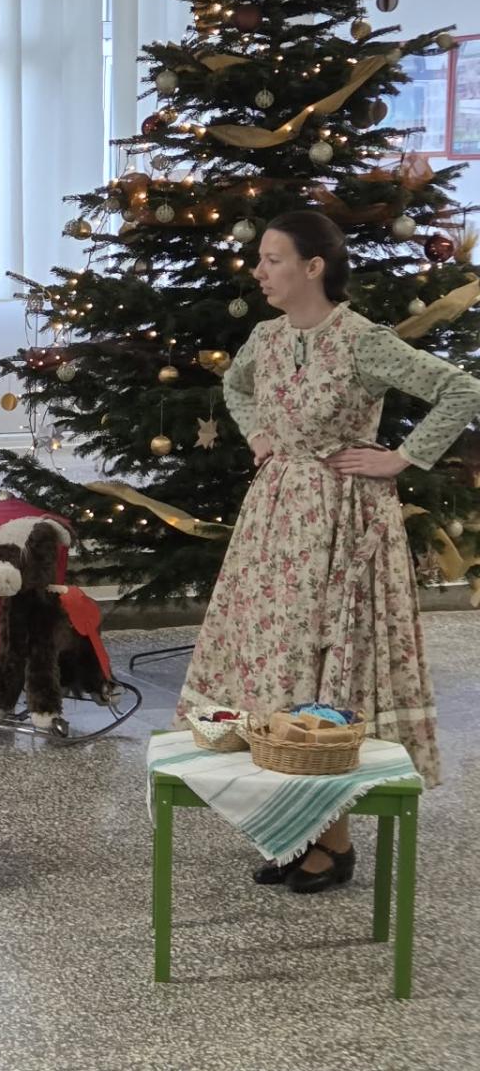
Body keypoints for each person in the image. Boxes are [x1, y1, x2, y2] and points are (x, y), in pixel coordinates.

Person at [180, 210, 480, 893]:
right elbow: (236, 386)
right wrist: (259, 435)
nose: (259, 271)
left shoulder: (362, 341)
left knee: (329, 668)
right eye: (260, 259)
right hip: (276, 518)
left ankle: (332, 841)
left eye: (273, 259)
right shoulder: (266, 336)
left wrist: (400, 458)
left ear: (313, 267)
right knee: (279, 662)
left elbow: (461, 389)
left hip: (342, 521)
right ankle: (296, 827)